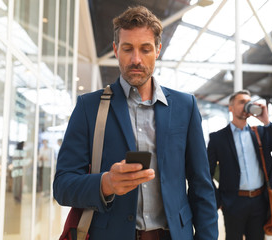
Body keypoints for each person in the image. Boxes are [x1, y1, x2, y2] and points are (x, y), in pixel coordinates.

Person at [53, 6, 218, 240]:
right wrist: (106, 183)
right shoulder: (89, 108)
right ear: (115, 50)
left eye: (145, 49)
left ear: (158, 50)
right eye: (128, 48)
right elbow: (62, 186)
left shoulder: (185, 107)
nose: (136, 59)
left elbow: (202, 186)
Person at [207, 90, 272, 240]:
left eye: (248, 102)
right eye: (242, 102)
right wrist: (218, 199)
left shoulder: (261, 133)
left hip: (259, 201)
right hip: (233, 202)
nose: (247, 105)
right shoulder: (218, 138)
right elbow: (207, 171)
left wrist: (266, 122)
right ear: (230, 107)